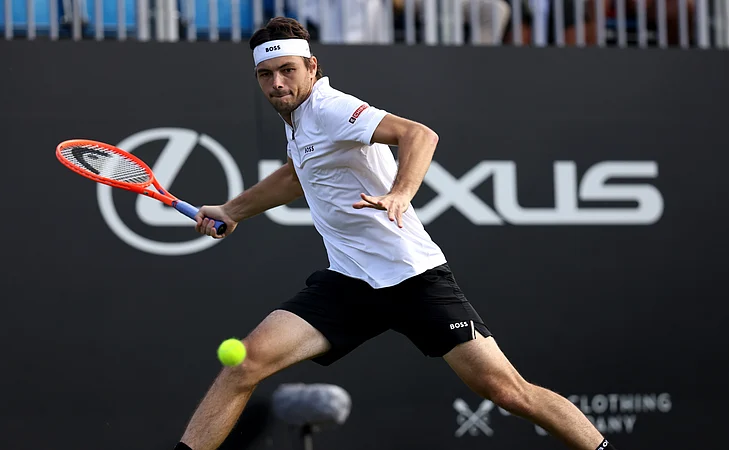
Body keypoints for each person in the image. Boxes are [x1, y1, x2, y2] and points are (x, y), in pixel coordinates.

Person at [175, 16, 617, 450]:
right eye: (265, 75)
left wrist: (401, 193)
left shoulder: (330, 108)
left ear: (312, 68)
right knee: (244, 366)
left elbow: (418, 135)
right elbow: (295, 177)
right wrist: (232, 210)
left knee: (507, 392)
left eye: (287, 70)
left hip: (411, 277)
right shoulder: (299, 121)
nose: (276, 84)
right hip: (349, 282)